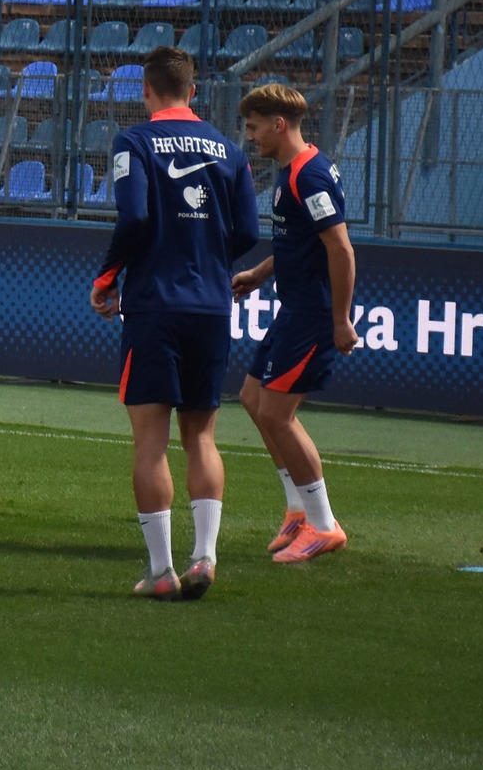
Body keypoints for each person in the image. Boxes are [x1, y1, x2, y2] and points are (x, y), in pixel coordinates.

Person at [90, 46, 260, 601]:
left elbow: (134, 215)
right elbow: (248, 232)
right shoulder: (231, 151)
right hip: (211, 305)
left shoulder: (134, 142)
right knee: (201, 435)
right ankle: (205, 557)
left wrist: (107, 276)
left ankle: (162, 571)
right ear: (193, 92)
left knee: (150, 441)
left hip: (154, 305)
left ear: (146, 90)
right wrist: (209, 260)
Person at [233, 82, 356, 565]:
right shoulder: (292, 172)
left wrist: (340, 319)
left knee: (276, 414)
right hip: (293, 308)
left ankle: (324, 526)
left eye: (254, 127)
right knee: (251, 398)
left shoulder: (310, 176)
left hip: (311, 316)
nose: (251, 137)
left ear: (278, 124)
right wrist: (261, 274)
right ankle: (297, 509)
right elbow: (298, 243)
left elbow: (340, 249)